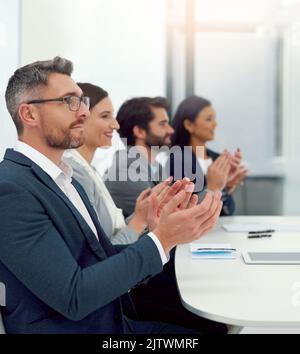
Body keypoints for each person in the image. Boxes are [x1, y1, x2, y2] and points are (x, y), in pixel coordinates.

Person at [0, 57, 222, 334]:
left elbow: (100, 259)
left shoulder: (66, 179)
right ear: (29, 114)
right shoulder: (10, 188)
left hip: (113, 321)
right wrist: (162, 238)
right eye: (69, 101)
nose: (82, 112)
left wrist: (158, 231)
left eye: (83, 102)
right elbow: (74, 296)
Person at [171, 96, 248, 216]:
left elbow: (228, 211)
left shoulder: (217, 159)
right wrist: (215, 187)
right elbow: (183, 210)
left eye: (214, 119)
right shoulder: (177, 160)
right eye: (208, 119)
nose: (215, 124)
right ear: (189, 125)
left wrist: (226, 186)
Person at [105, 97, 175, 217]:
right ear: (140, 132)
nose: (171, 130)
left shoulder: (156, 166)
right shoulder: (126, 171)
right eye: (163, 124)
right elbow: (167, 215)